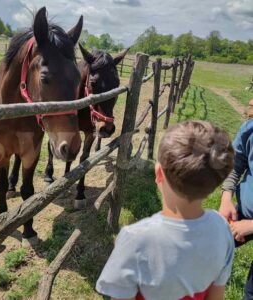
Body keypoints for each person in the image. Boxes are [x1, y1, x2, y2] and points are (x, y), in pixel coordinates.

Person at [96, 120, 235, 300]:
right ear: (215, 183)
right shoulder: (222, 230)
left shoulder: (135, 239)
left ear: (159, 174)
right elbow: (216, 297)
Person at [220, 104, 253, 300]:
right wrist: (226, 197)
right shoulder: (250, 128)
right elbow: (236, 162)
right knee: (209, 248)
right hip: (243, 213)